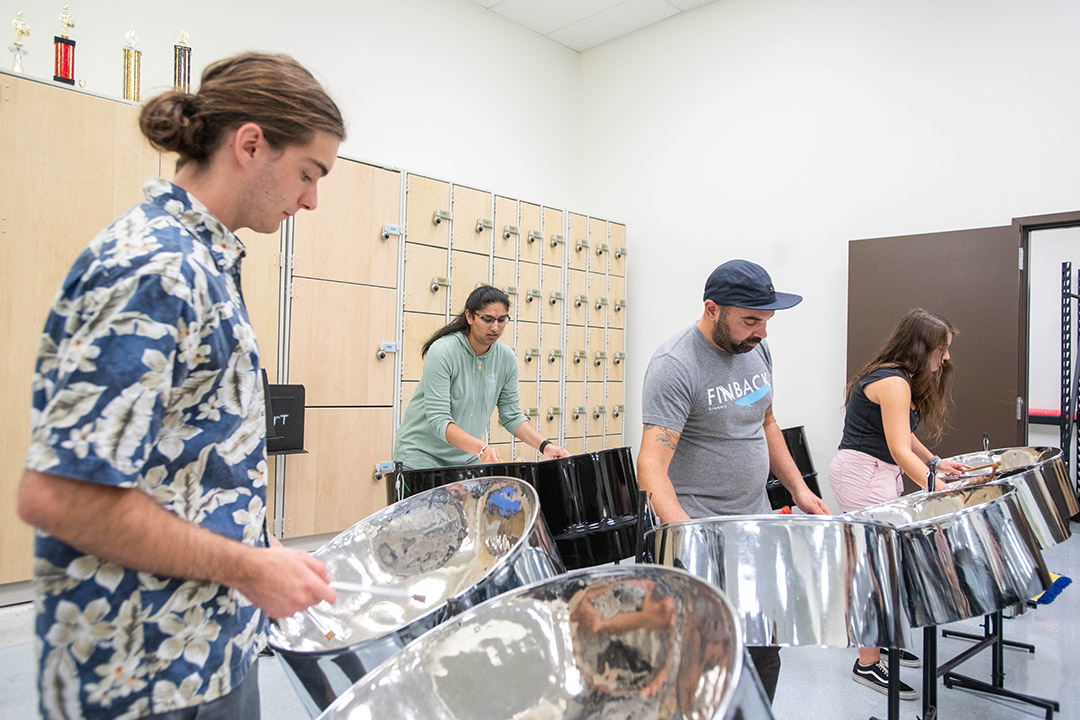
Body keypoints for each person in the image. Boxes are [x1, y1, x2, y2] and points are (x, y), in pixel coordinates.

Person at [17, 52, 346, 720]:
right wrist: (253, 570)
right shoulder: (157, 267)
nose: (312, 199)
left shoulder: (204, 262)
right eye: (309, 173)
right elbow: (62, 497)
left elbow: (183, 464)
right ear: (250, 143)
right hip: (144, 673)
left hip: (205, 651)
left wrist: (256, 543)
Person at [637, 258, 830, 703]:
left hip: (754, 530)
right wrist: (690, 539)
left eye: (766, 320)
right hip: (700, 531)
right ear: (712, 309)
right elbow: (650, 466)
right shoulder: (675, 365)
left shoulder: (755, 349)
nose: (762, 332)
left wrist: (799, 489)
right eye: (750, 321)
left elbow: (766, 423)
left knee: (763, 653)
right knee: (703, 662)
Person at [829, 308, 967, 699]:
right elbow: (897, 448)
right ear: (923, 347)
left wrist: (936, 464)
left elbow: (904, 437)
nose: (946, 358)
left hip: (876, 470)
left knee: (884, 565)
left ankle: (882, 643)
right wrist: (934, 485)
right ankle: (867, 662)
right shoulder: (893, 382)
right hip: (864, 472)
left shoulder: (897, 378)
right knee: (871, 569)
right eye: (942, 350)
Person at [394, 286, 570, 469]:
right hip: (420, 457)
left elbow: (511, 416)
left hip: (466, 457)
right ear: (469, 317)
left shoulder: (506, 358)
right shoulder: (443, 351)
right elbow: (439, 420)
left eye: (502, 320)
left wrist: (545, 446)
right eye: (487, 319)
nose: (495, 327)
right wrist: (481, 448)